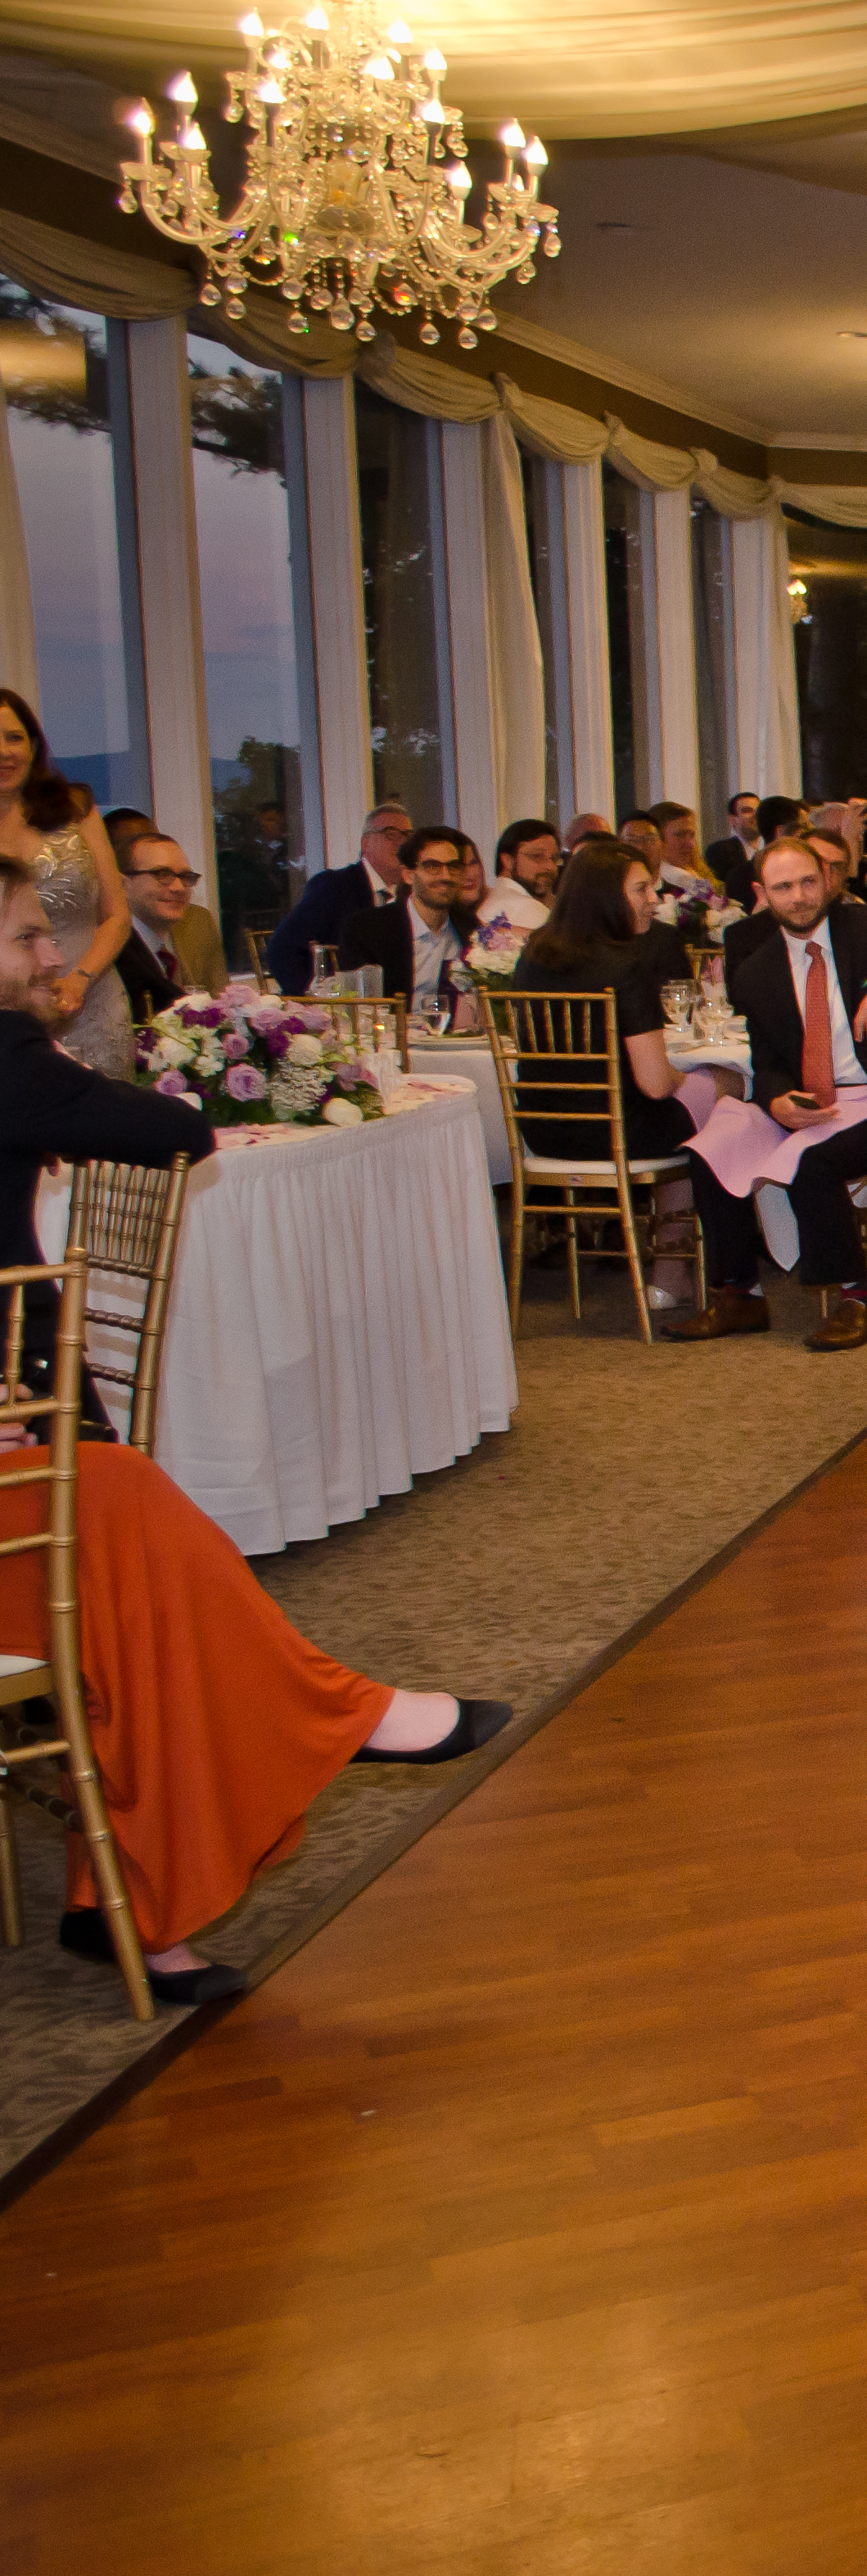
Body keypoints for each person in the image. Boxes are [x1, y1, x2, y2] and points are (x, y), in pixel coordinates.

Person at [0, 848, 514, 2005]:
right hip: (27, 1456)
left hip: (31, 1438)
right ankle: (328, 1724)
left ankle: (136, 1890)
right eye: (29, 936)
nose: (53, 956)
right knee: (124, 1528)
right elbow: (173, 1136)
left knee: (121, 1532)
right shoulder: (7, 1057)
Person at [671, 838, 867, 1353]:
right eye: (783, 887)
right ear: (761, 894)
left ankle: (857, 1299)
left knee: (814, 1161)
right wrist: (776, 1099)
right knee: (711, 1149)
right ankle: (739, 1295)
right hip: (809, 1100)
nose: (799, 897)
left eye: (807, 882)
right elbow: (768, 1062)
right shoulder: (757, 970)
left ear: (826, 880)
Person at [511, 835, 758, 1294]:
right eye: (642, 889)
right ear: (605, 897)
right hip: (620, 1131)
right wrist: (692, 1079)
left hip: (544, 1130)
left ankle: (674, 1273)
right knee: (733, 1087)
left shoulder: (534, 956)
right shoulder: (625, 966)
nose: (656, 900)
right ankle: (680, 1271)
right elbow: (656, 1084)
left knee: (700, 1112)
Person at [0, 687, 134, 1075]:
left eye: (14, 738)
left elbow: (117, 915)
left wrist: (80, 980)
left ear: (33, 746)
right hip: (11, 1016)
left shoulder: (74, 808)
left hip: (93, 1002)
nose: (4, 752)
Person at [338, 825, 496, 1030]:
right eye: (432, 867)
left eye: (454, 867)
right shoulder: (367, 930)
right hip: (391, 1039)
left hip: (454, 1040)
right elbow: (358, 1009)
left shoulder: (470, 928)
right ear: (408, 875)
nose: (445, 876)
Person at [264, 799, 413, 993]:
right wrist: (313, 997)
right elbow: (283, 949)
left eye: (408, 836)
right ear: (366, 843)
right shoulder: (334, 886)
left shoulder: (413, 894)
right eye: (390, 835)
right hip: (344, 1001)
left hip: (400, 1002)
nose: (402, 842)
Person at [102, 818, 199, 1027]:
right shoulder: (114, 953)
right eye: (162, 874)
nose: (179, 887)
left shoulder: (175, 941)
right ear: (123, 883)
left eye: (185, 876)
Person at [486, 817, 561, 929]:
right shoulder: (529, 909)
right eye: (537, 856)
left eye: (554, 859)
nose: (550, 867)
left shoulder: (489, 902)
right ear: (508, 861)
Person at [703, 790, 762, 903]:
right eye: (747, 811)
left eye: (758, 811)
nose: (755, 815)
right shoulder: (720, 851)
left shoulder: (768, 851)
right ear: (732, 820)